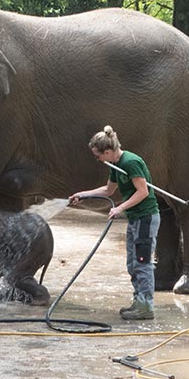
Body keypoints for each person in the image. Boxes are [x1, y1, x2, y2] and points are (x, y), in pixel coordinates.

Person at [68, 126, 160, 320]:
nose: (98, 160)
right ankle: (139, 301)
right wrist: (83, 195)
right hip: (135, 218)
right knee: (132, 263)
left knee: (142, 263)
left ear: (107, 152)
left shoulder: (131, 162)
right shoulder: (115, 166)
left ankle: (146, 306)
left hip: (146, 218)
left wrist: (120, 208)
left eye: (98, 156)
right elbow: (108, 191)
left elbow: (143, 192)